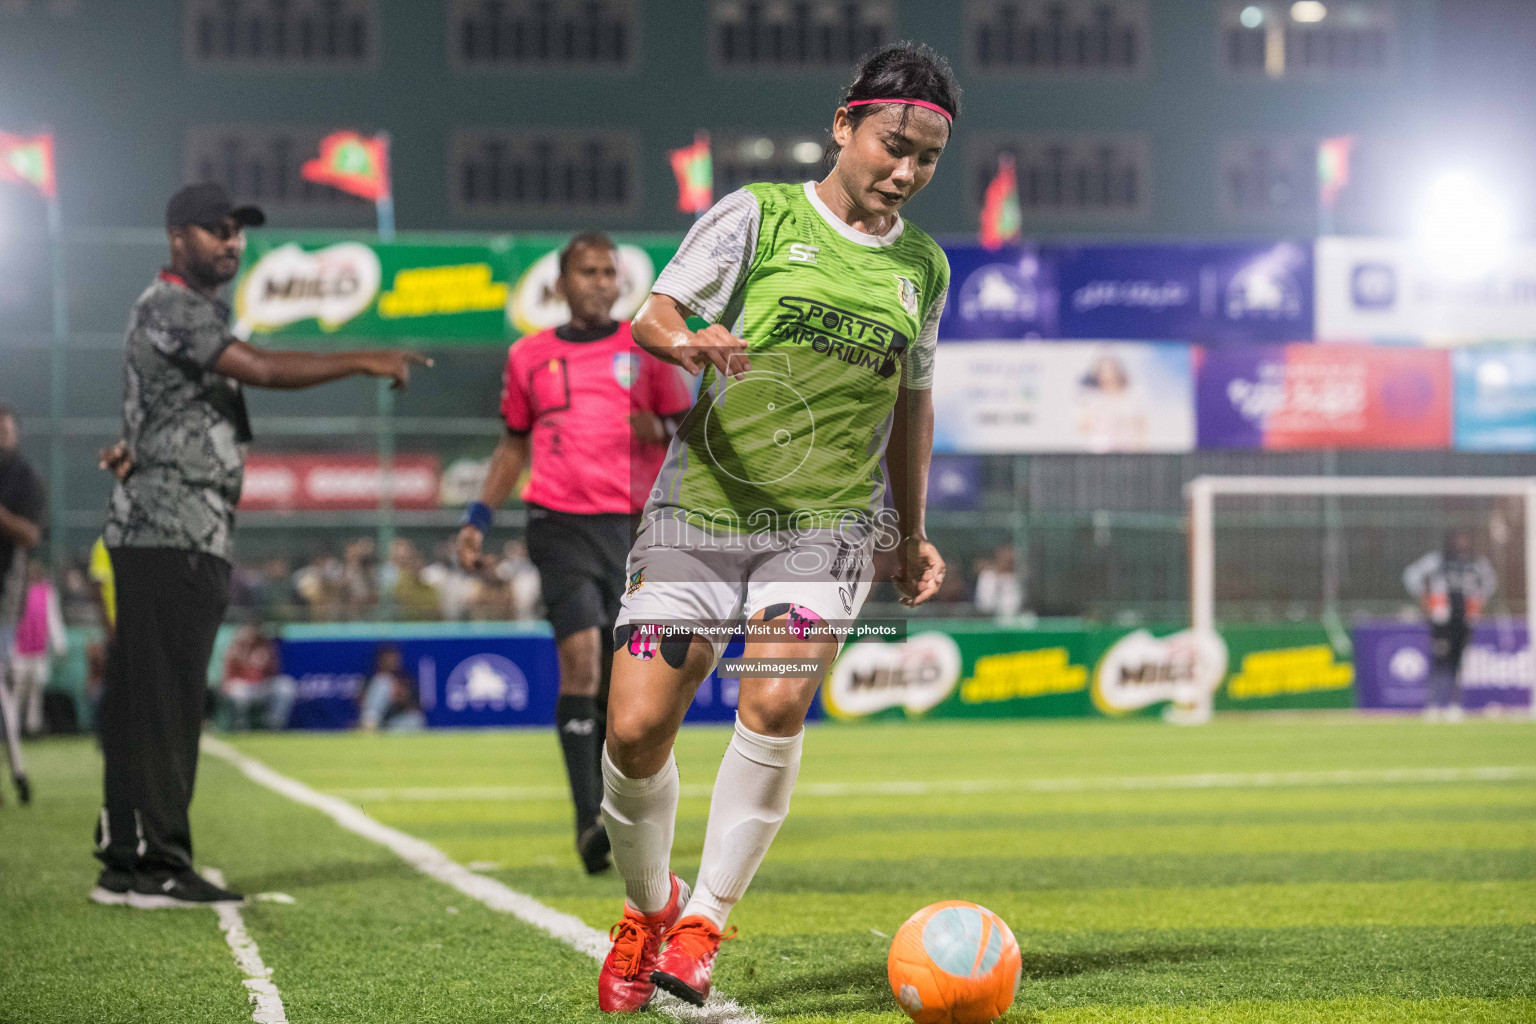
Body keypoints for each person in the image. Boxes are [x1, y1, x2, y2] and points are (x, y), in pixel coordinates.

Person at [594, 43, 957, 1012]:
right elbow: (652, 315)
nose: (906, 172)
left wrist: (908, 529)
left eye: (926, 158)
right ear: (843, 125)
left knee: (775, 704)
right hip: (701, 506)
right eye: (893, 146)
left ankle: (706, 919)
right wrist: (692, 339)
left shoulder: (923, 265)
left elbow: (910, 405)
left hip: (827, 526)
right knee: (634, 728)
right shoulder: (759, 216)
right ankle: (648, 905)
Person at [89, 181, 430, 909]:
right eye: (217, 230)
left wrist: (132, 446)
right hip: (170, 530)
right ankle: (157, 865)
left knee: (148, 697)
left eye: (238, 232)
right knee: (166, 701)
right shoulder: (172, 304)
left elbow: (163, 412)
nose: (232, 243)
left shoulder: (182, 311)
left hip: (172, 529)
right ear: (178, 236)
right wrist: (364, 358)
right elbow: (266, 370)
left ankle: (126, 860)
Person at [455, 232, 693, 876]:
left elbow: (693, 428)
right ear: (561, 284)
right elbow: (512, 446)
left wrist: (664, 426)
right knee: (582, 663)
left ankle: (617, 812)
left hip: (636, 530)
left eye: (608, 271)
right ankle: (588, 821)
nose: (599, 281)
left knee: (626, 685)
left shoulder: (645, 350)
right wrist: (478, 519)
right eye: (586, 271)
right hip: (557, 523)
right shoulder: (528, 356)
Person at [0, 405, 45, 805]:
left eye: (7, 429)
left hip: (4, 594)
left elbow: (30, 535)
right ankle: (16, 772)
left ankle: (17, 771)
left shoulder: (26, 480)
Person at [1404, 530, 1497, 722]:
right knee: (1439, 660)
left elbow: (1491, 582)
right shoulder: (1437, 560)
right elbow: (1411, 575)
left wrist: (1480, 600)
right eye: (1458, 539)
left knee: (1458, 662)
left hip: (1464, 618)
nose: (1461, 543)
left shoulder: (1475, 563)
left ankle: (1454, 705)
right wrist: (1424, 597)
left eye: (1465, 539)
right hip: (1442, 619)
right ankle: (1433, 705)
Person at [9, 559, 67, 736]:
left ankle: (32, 728)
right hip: (19, 648)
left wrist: (59, 642)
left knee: (36, 691)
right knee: (17, 690)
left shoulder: (46, 591)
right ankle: (13, 728)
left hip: (38, 648)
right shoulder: (16, 591)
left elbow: (53, 617)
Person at [219, 623, 294, 731]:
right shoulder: (234, 649)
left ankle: (273, 723)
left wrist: (264, 662)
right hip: (244, 688)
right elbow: (228, 678)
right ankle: (241, 725)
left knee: (285, 685)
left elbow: (274, 672)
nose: (249, 636)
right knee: (237, 689)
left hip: (262, 686)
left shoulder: (264, 647)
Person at [358, 644, 425, 732]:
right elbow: (360, 702)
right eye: (387, 659)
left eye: (394, 659)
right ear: (380, 660)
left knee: (416, 719)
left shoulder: (405, 678)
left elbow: (416, 707)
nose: (391, 662)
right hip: (374, 720)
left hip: (393, 723)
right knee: (383, 682)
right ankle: (369, 727)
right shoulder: (371, 677)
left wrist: (401, 698)